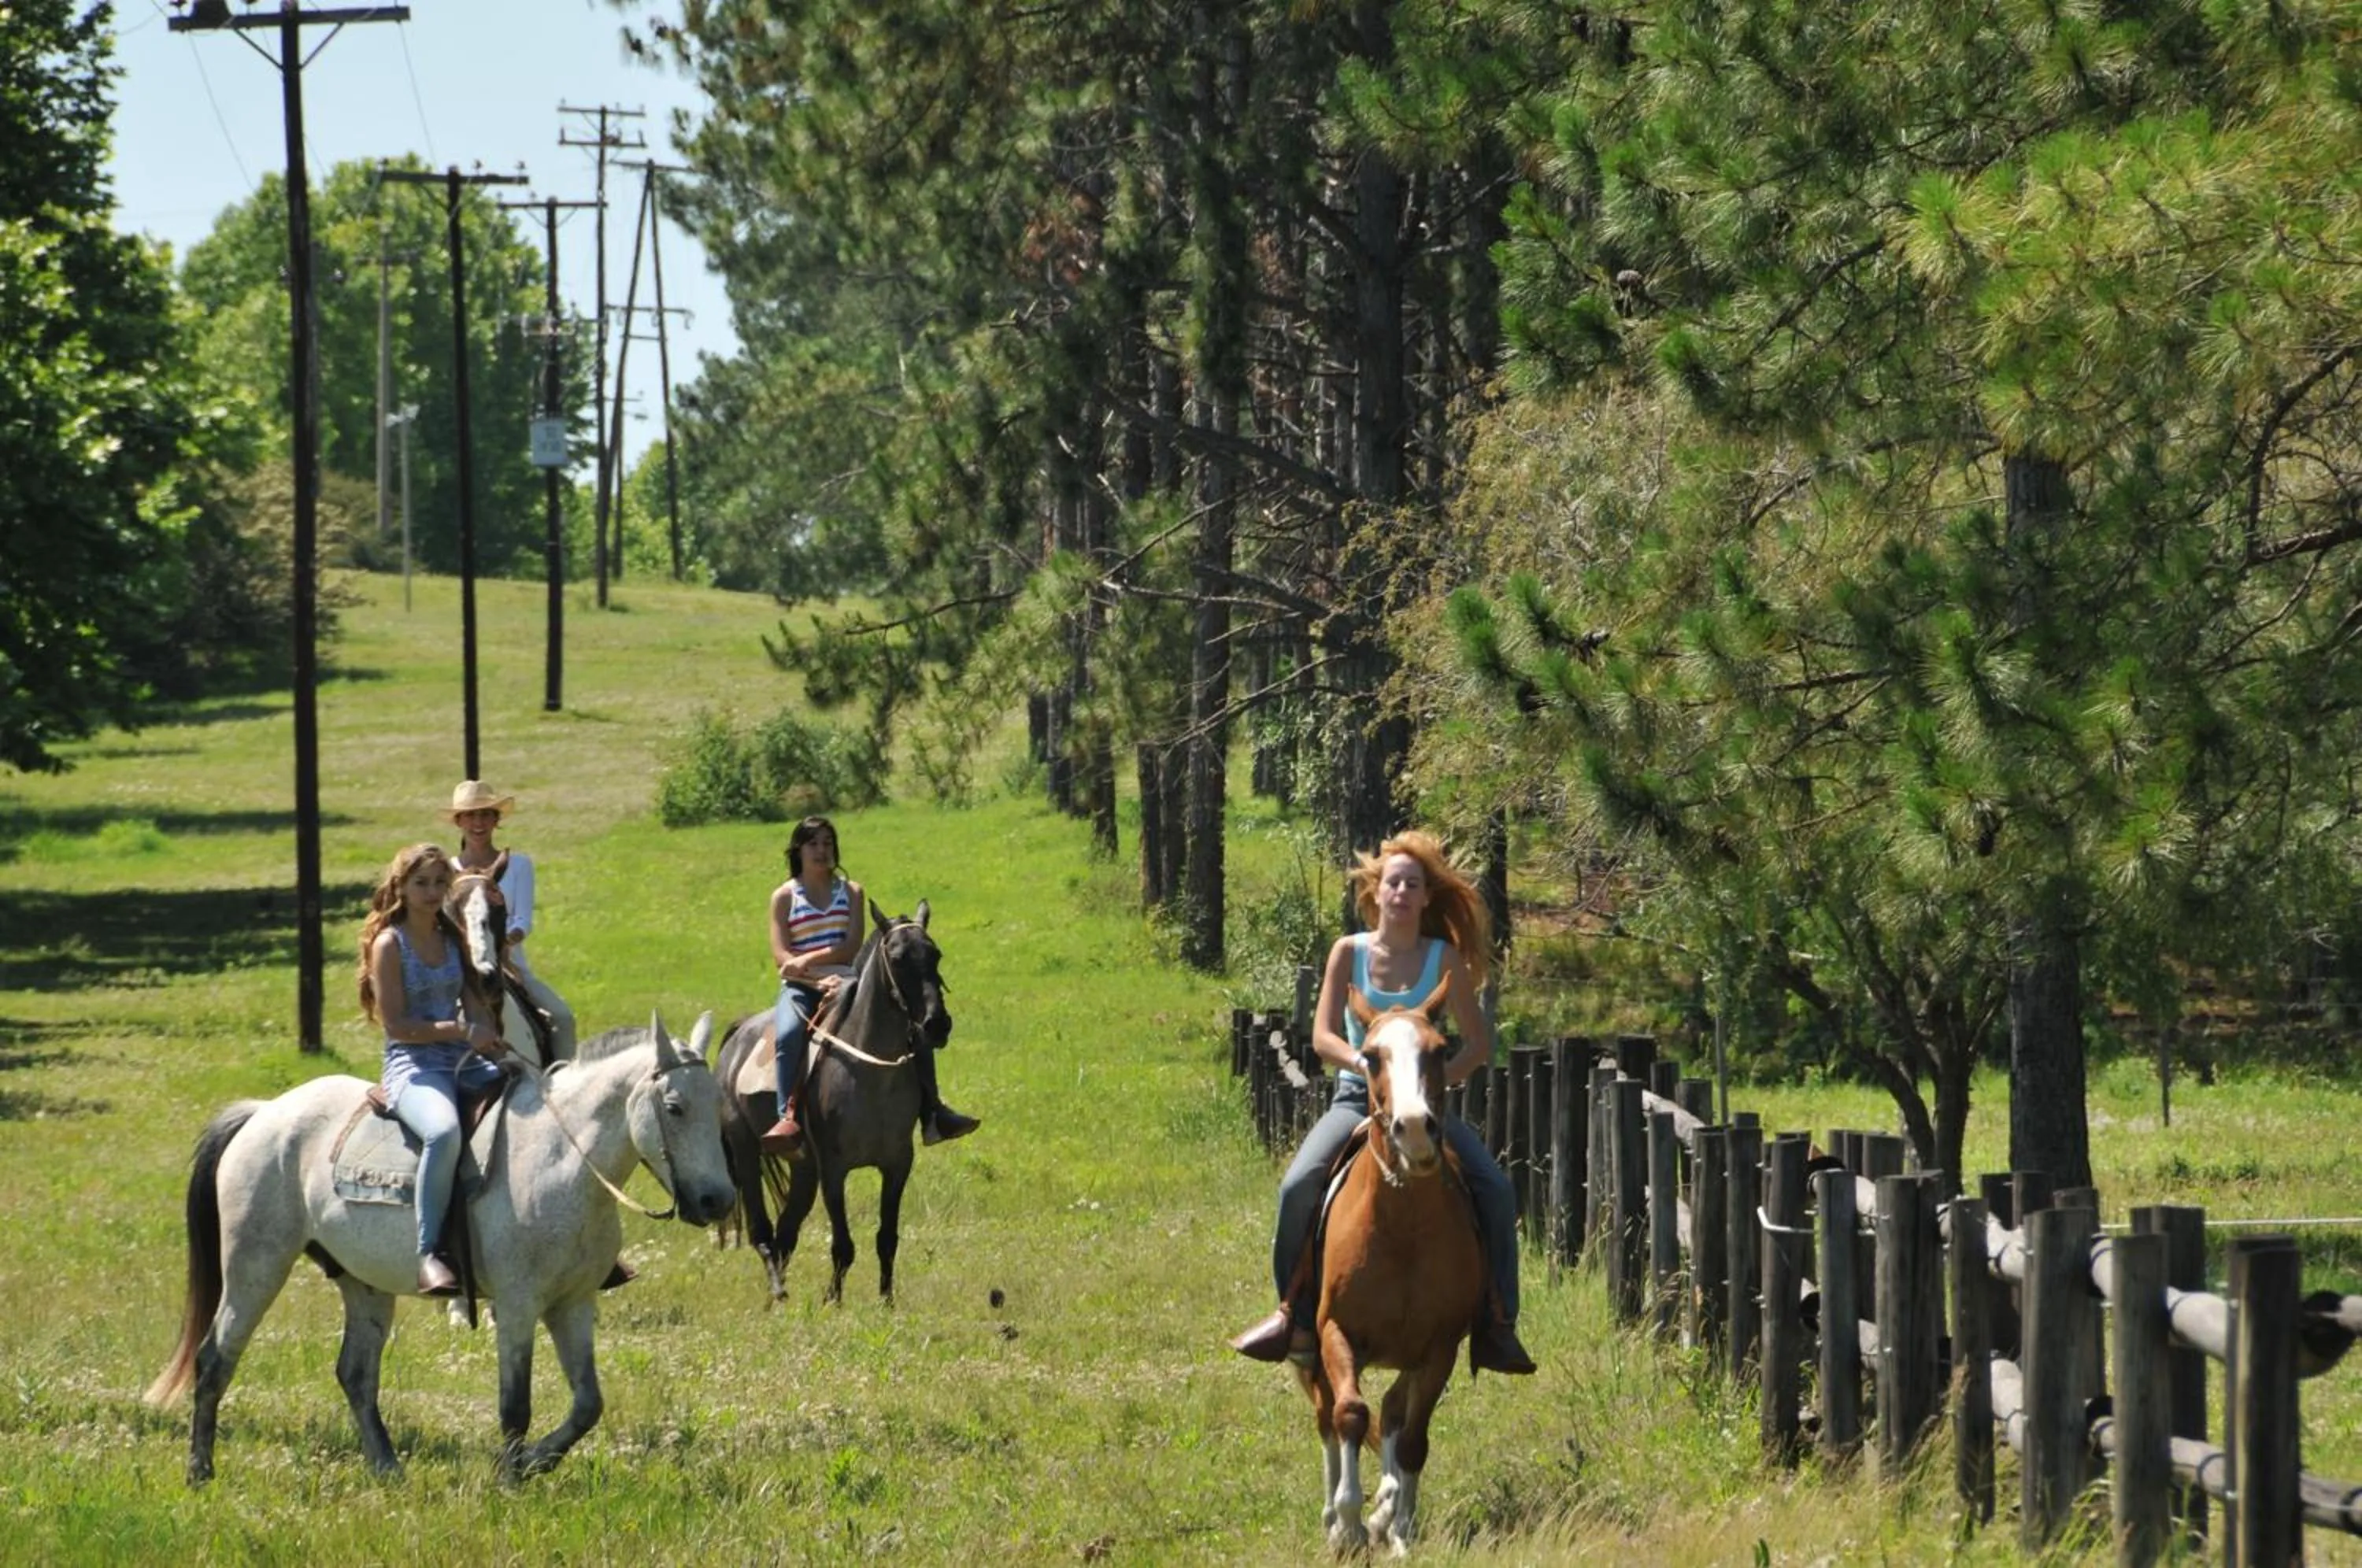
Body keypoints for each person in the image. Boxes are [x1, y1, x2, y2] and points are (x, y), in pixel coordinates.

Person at [1229, 830, 1536, 1375]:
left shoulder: (1444, 960)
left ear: (1425, 897)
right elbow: (1323, 1036)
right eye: (1393, 881)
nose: (1401, 891)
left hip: (1427, 1111)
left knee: (1494, 1186)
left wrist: (1433, 1087)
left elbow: (1477, 1043)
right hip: (1357, 1102)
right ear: (1377, 892)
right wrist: (1370, 1070)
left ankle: (1498, 1322)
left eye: (1412, 884)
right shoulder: (1348, 953)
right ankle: (1294, 1315)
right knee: (1298, 1184)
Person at [759, 815, 979, 1156]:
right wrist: (811, 973)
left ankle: (934, 1111)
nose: (822, 851)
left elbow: (850, 946)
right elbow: (781, 957)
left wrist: (807, 960)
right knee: (788, 1034)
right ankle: (786, 1118)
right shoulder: (784, 897)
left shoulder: (851, 892)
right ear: (798, 850)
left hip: (847, 978)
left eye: (828, 843)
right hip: (801, 985)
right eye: (813, 844)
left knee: (910, 1025)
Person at [358, 842, 509, 1297]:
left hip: (463, 1061)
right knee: (443, 1133)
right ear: (400, 887)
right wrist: (462, 1031)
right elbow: (399, 1026)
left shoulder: (451, 940)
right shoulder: (390, 944)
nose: (431, 892)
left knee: (532, 1099)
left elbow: (474, 1002)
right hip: (413, 1066)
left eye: (439, 883)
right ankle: (429, 1253)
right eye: (420, 883)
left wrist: (486, 1029)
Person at [446, 778, 577, 1058]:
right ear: (459, 821)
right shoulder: (447, 872)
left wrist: (505, 942)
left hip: (511, 966)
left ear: (496, 820)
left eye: (485, 814)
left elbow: (522, 919)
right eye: (470, 815)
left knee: (563, 1018)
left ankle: (563, 1084)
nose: (478, 823)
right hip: (459, 972)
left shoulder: (518, 865)